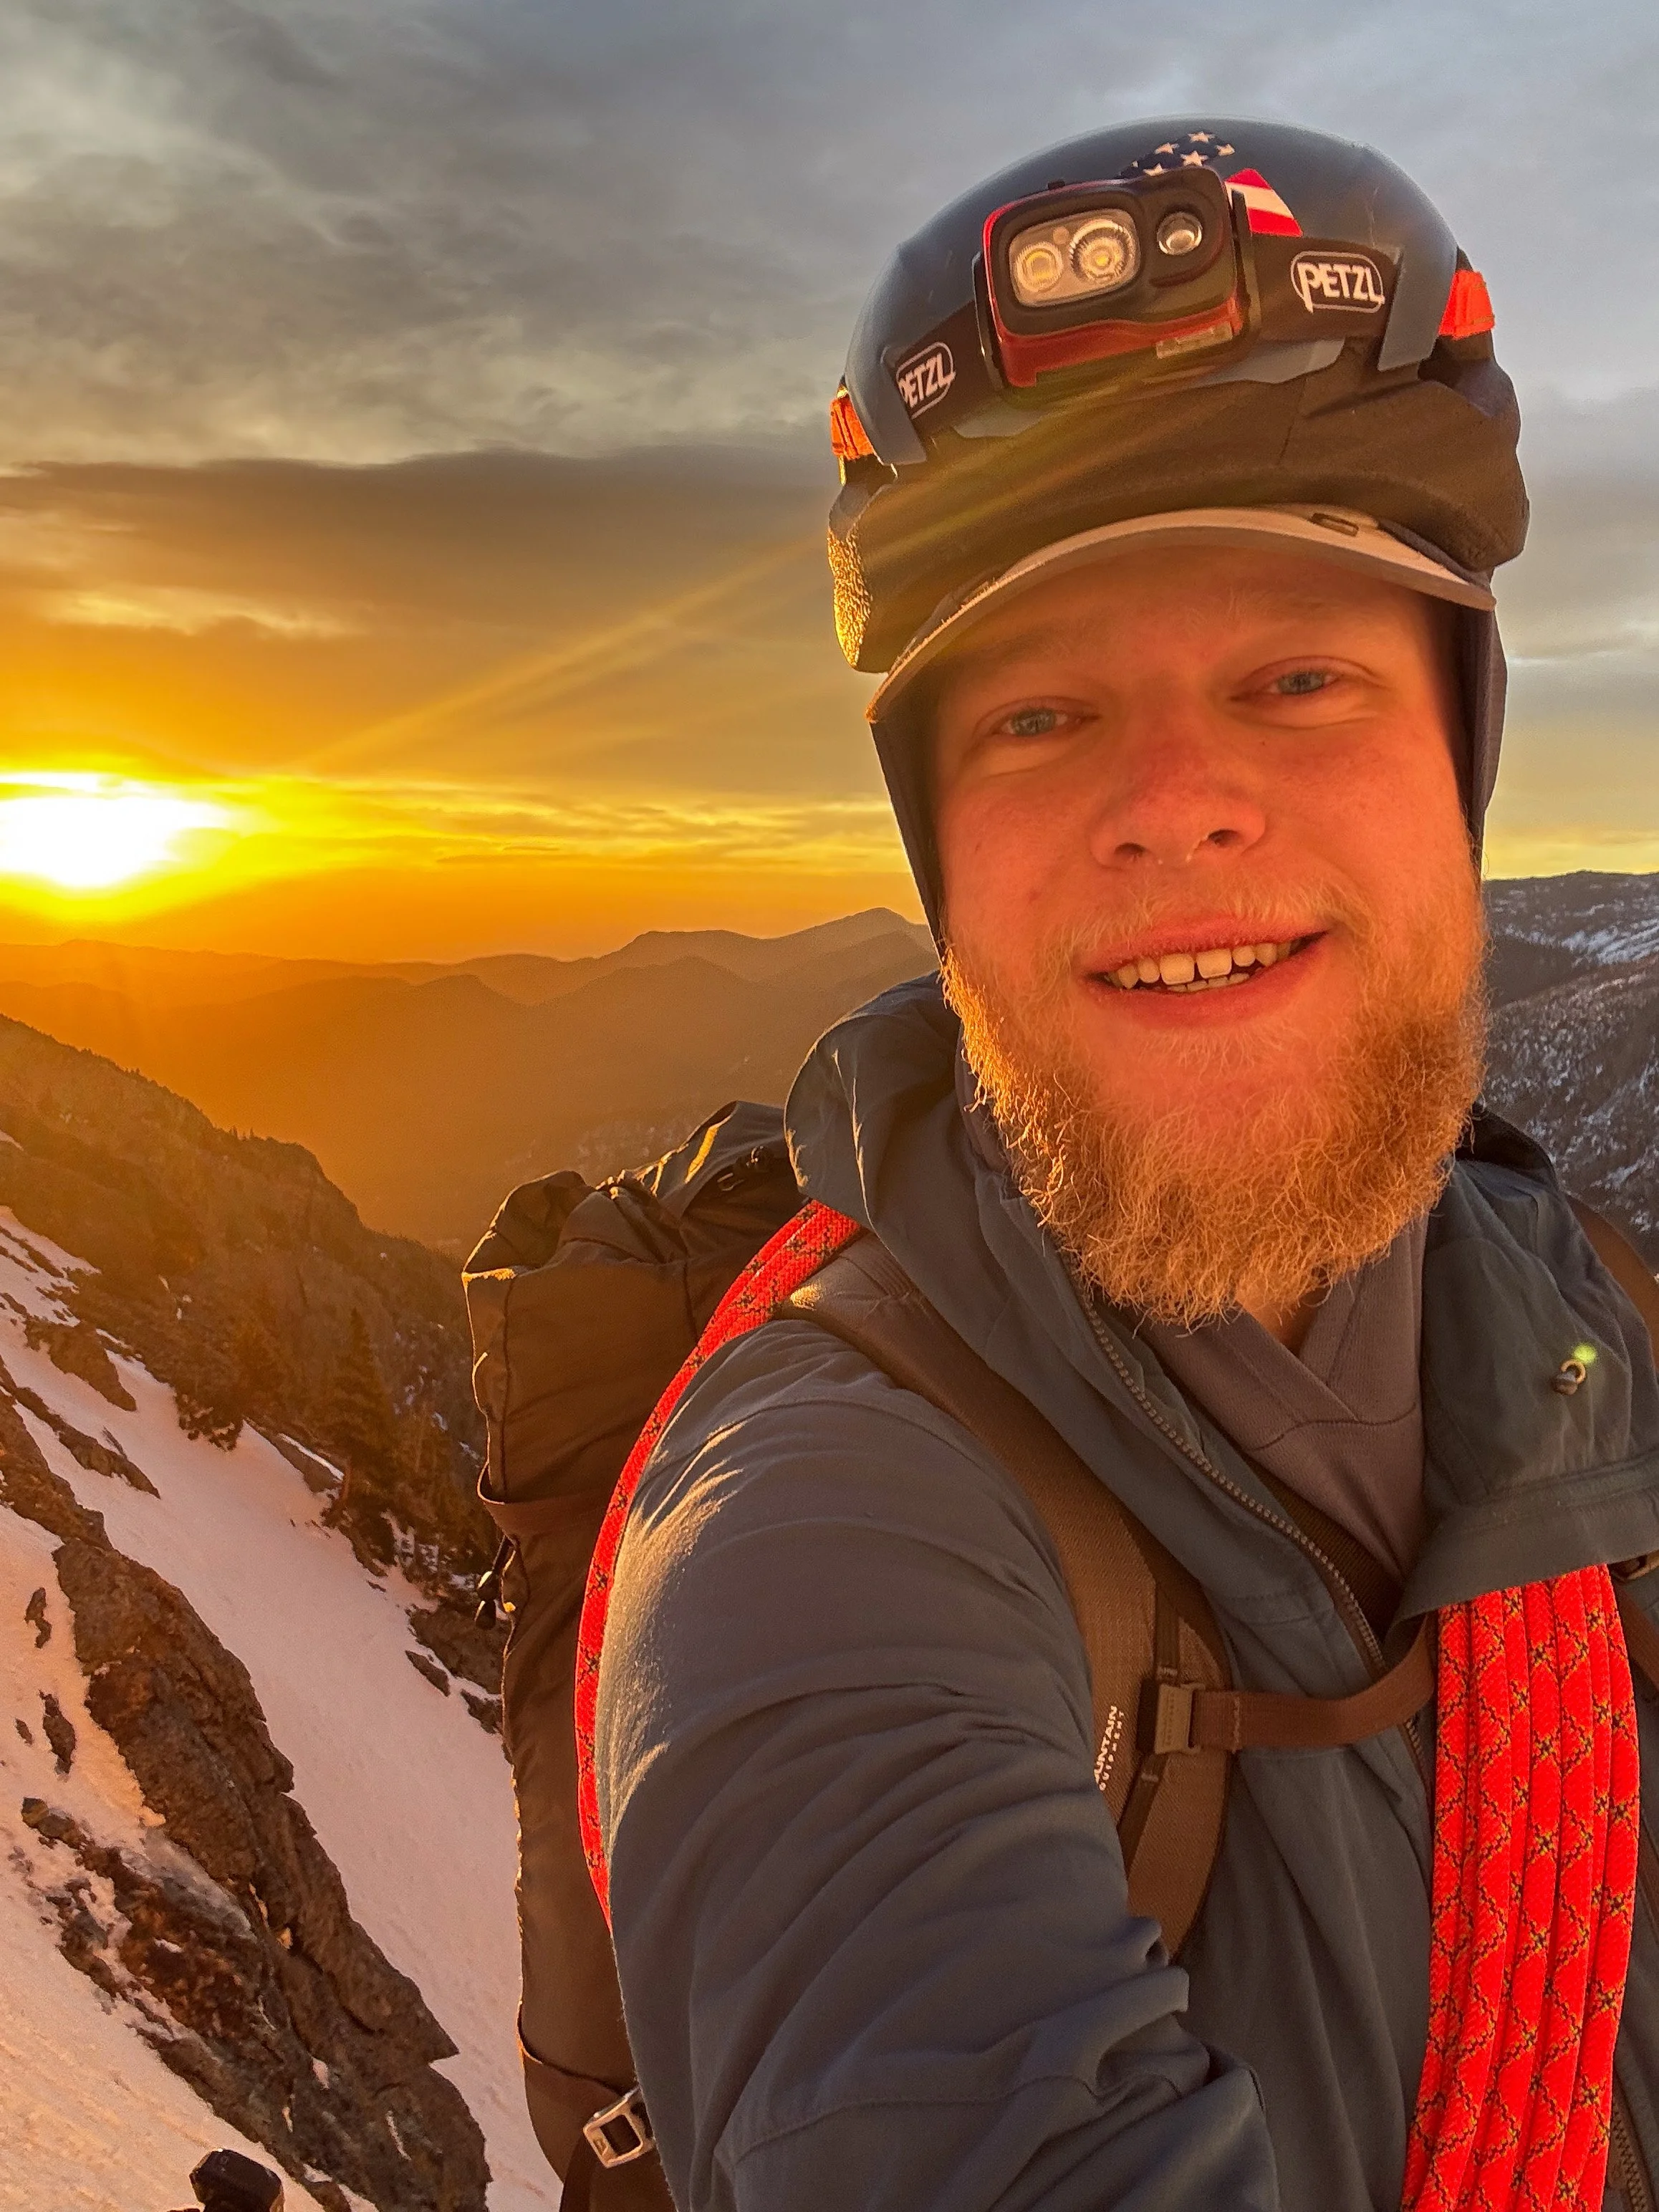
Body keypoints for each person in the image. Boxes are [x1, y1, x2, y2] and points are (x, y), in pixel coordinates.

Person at [588, 118, 1659, 2210]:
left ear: (1462, 772)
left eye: (1297, 678)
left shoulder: (1594, 1334)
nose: (1175, 800)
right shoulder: (819, 1531)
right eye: (1040, 718)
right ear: (942, 871)